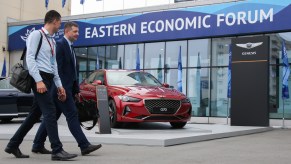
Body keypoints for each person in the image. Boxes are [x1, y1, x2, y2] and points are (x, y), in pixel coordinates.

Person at [4, 10, 77, 161]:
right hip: (39, 78)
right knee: (50, 111)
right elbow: (30, 59)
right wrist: (38, 80)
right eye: (59, 22)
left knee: (34, 115)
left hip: (49, 79)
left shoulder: (52, 41)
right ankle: (57, 149)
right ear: (54, 21)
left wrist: (59, 85)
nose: (60, 26)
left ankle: (12, 145)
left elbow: (53, 64)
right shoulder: (36, 35)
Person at [32, 21, 102, 155]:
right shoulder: (60, 45)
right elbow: (56, 69)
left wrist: (75, 89)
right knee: (72, 114)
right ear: (66, 31)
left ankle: (37, 144)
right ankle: (84, 145)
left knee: (51, 117)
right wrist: (62, 89)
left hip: (66, 89)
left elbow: (72, 72)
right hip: (60, 90)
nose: (77, 34)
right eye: (75, 31)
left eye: (78, 31)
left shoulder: (70, 47)